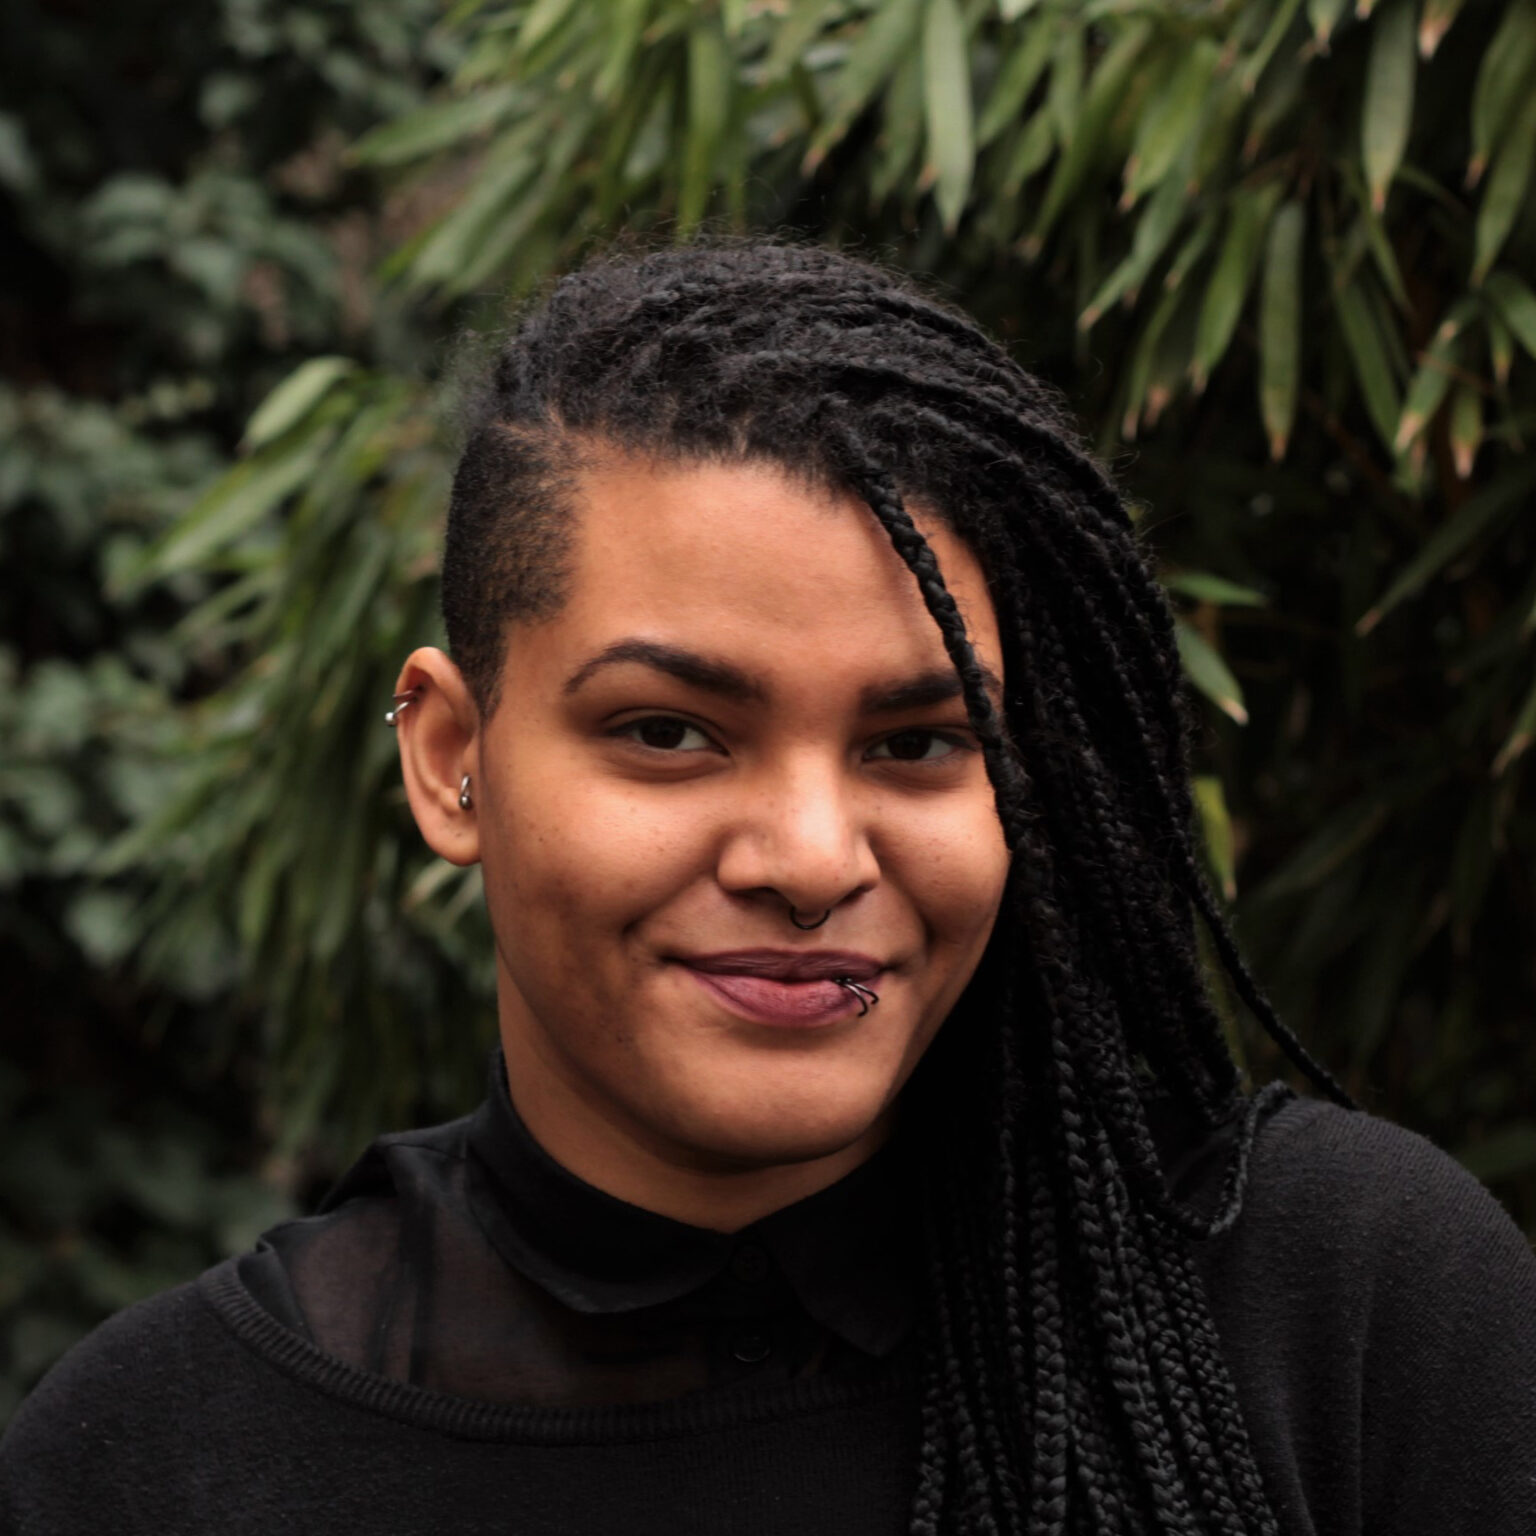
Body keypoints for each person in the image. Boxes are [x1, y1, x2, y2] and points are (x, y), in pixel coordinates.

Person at [3, 241, 1533, 1535]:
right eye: (668, 733)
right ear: (452, 757)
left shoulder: (1347, 1315)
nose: (810, 860)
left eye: (921, 741)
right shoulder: (155, 1462)